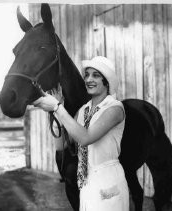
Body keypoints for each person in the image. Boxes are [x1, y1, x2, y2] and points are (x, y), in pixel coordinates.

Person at [33, 56, 129, 211]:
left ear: (107, 82)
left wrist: (58, 107)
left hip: (108, 179)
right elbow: (62, 145)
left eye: (96, 75)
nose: (88, 79)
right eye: (87, 74)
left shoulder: (115, 108)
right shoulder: (83, 110)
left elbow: (85, 138)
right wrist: (54, 112)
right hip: (86, 183)